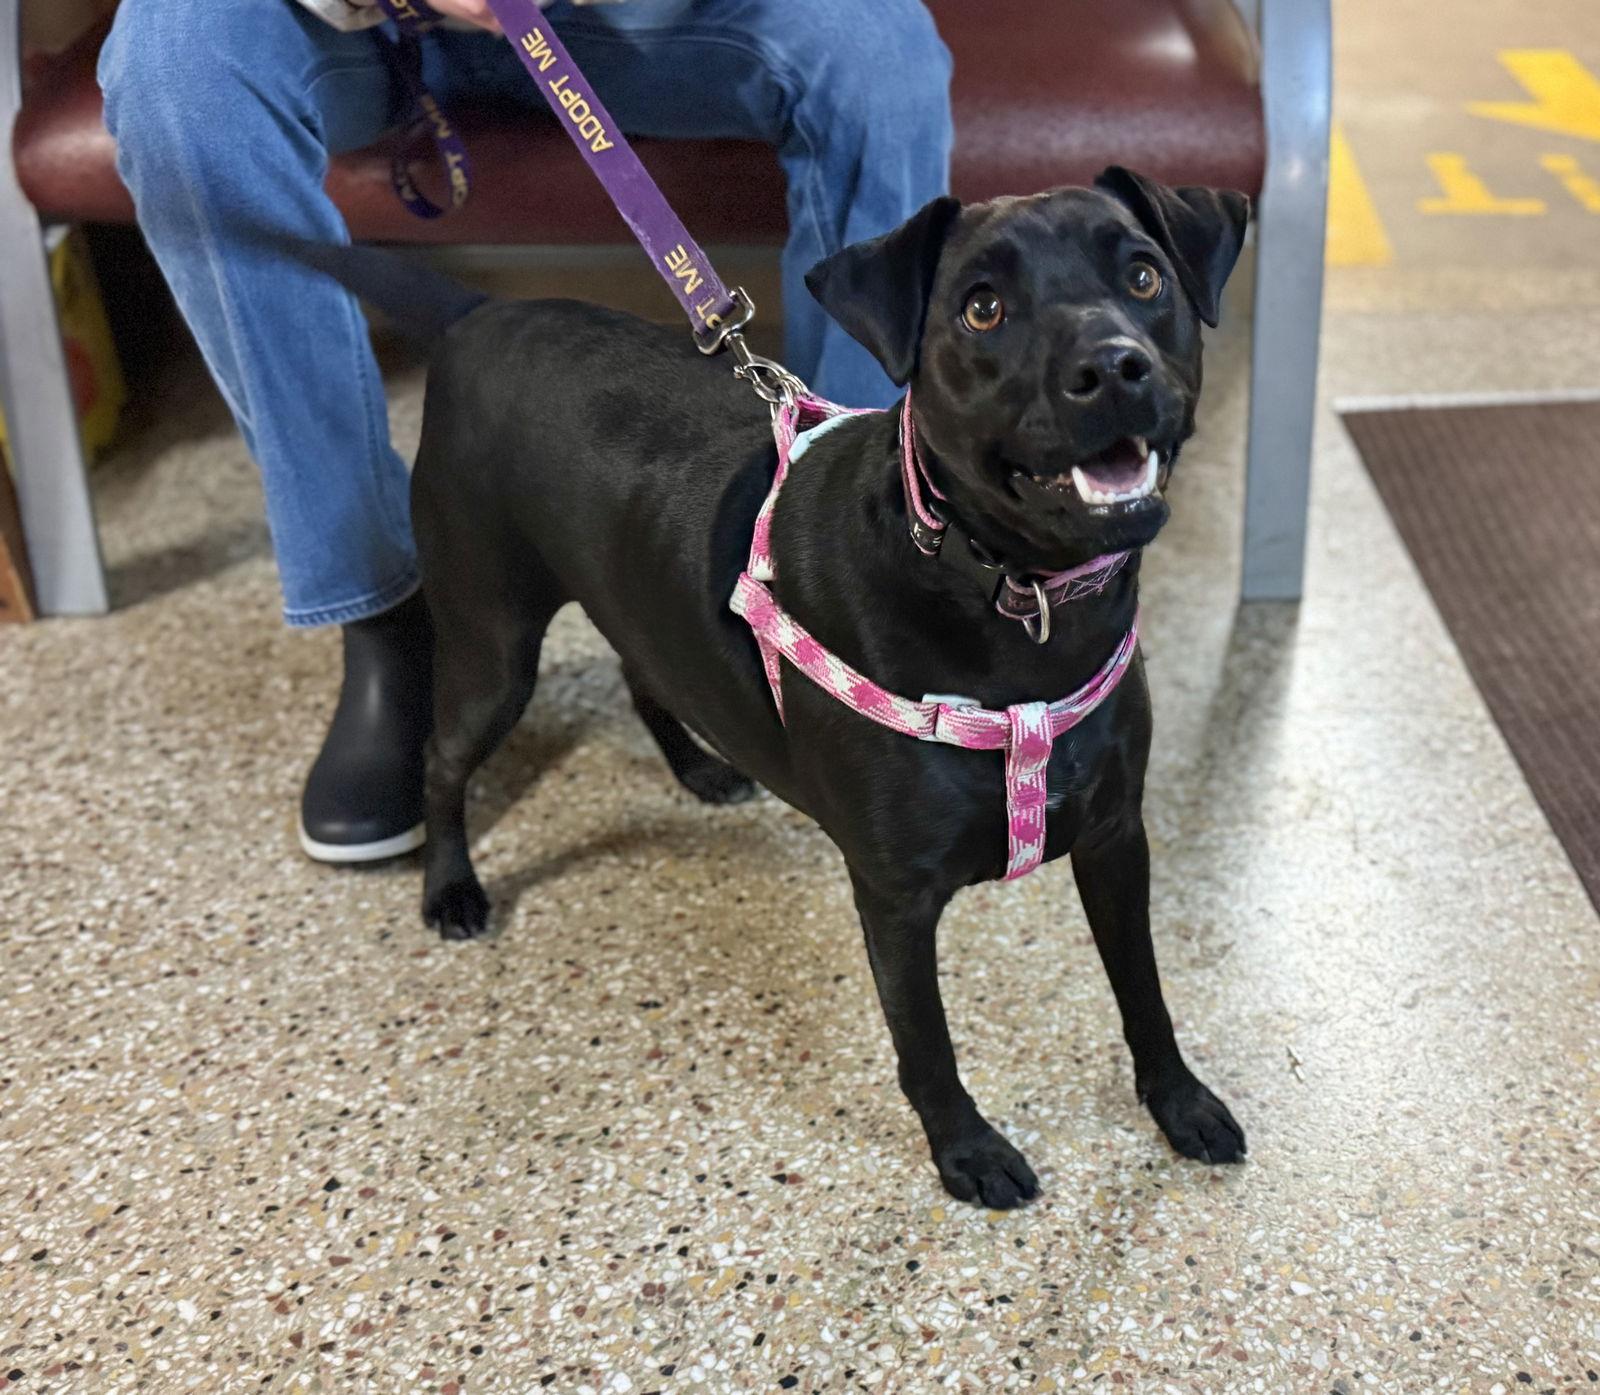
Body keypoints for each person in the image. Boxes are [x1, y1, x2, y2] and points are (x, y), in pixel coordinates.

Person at [96, 0, 954, 864]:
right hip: (346, 25)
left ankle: (839, 579)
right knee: (174, 67)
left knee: (875, 46)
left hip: (632, 22)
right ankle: (388, 610)